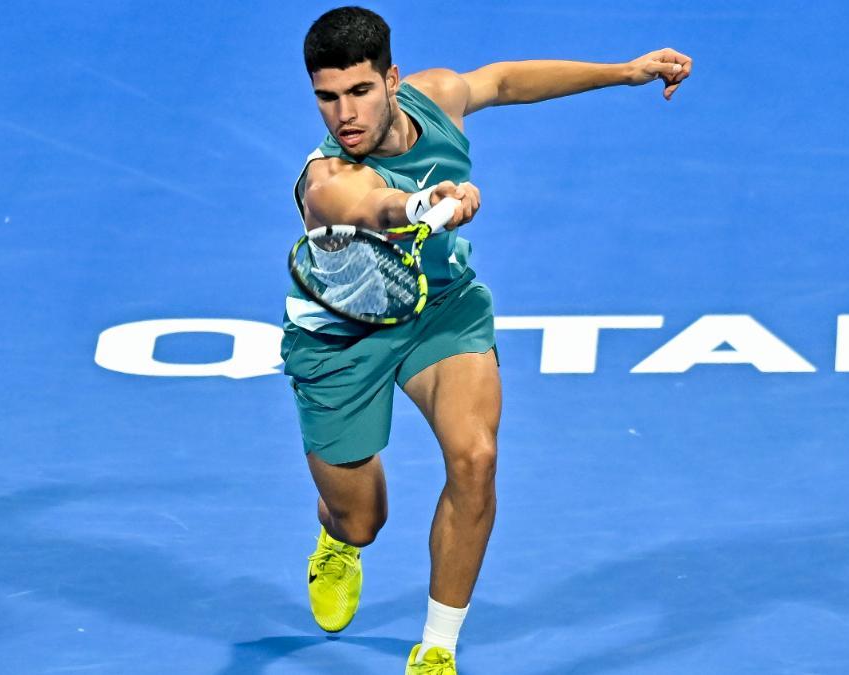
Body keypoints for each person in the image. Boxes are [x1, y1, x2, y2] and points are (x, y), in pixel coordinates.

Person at [281, 7, 692, 673]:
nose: (344, 115)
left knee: (474, 458)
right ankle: (336, 541)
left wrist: (625, 72)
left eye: (358, 91)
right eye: (326, 98)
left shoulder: (437, 95)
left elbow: (503, 81)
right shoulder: (326, 179)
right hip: (343, 337)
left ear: (392, 79)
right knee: (362, 519)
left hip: (441, 308)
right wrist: (421, 205)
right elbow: (362, 207)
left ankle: (436, 647)